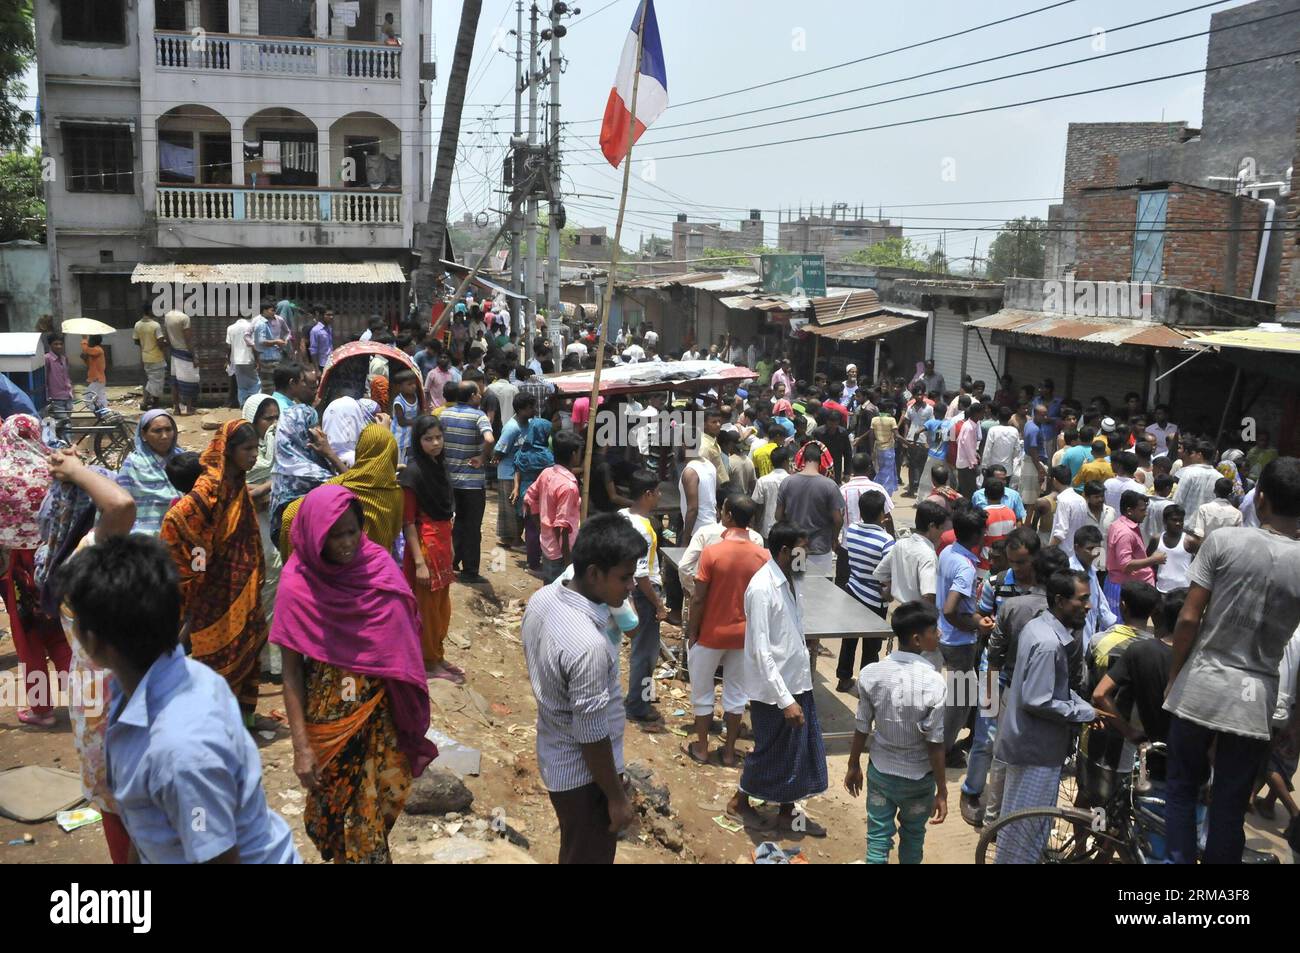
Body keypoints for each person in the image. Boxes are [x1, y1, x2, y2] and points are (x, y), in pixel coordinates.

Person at [58, 535, 299, 864]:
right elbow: (147, 822)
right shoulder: (149, 685)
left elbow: (218, 858)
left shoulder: (180, 751)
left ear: (96, 644)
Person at [273, 485, 437, 863]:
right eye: (335, 535)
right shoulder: (298, 584)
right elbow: (292, 672)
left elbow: (404, 641)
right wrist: (301, 747)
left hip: (379, 717)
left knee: (373, 814)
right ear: (315, 535)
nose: (347, 543)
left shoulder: (377, 566)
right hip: (328, 724)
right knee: (336, 821)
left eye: (352, 531)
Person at [1163, 457, 1300, 865]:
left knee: (1182, 789)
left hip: (1201, 685)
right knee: (1230, 802)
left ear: (1261, 499)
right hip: (1255, 698)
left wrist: (1174, 677)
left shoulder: (1224, 541)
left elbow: (1188, 618)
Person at [522, 513, 645, 863]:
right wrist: (617, 798)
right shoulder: (588, 646)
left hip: (555, 753)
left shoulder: (544, 599)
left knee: (575, 850)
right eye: (624, 577)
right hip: (584, 778)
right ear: (594, 574)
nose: (631, 586)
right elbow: (591, 735)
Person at [160, 419, 269, 728]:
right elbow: (177, 523)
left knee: (247, 650)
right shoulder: (210, 485)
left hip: (242, 584)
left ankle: (243, 718)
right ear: (228, 450)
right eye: (248, 449)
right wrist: (197, 569)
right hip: (214, 589)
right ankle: (216, 722)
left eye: (256, 449)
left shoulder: (237, 483)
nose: (253, 456)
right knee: (217, 655)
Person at [726, 522, 829, 836]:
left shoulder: (790, 580)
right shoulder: (761, 588)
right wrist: (786, 701)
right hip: (775, 692)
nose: (806, 556)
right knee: (770, 751)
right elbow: (760, 650)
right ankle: (738, 802)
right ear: (784, 551)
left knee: (798, 752)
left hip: (798, 681)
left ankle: (787, 812)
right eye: (801, 550)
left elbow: (789, 629)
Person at [994, 571, 1097, 864]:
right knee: (1027, 831)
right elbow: (1039, 699)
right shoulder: (1049, 643)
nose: (1088, 606)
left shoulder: (1039, 627)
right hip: (1037, 749)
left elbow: (1055, 689)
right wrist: (1084, 712)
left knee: (1017, 823)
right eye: (1083, 599)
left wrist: (1083, 706)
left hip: (1027, 742)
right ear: (1061, 601)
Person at [844, 601, 948, 863]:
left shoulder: (871, 674)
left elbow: (862, 726)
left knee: (878, 839)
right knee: (913, 837)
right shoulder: (935, 683)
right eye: (934, 630)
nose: (939, 634)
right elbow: (935, 743)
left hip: (881, 772)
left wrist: (853, 764)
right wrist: (942, 791)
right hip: (918, 779)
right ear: (917, 639)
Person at [683, 496, 768, 768]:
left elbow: (698, 599)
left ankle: (703, 747)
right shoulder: (763, 556)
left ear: (728, 515)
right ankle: (730, 751)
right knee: (736, 695)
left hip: (711, 632)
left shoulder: (712, 553)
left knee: (702, 691)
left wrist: (691, 631)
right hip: (745, 636)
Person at [0, 416, 73, 727]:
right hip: (53, 559)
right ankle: (85, 702)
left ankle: (41, 710)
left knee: (27, 636)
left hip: (14, 566)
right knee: (61, 632)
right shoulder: (53, 469)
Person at [399, 417, 463, 682]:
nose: (435, 443)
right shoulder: (413, 474)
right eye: (428, 439)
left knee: (441, 607)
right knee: (425, 608)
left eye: (438, 437)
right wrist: (420, 562)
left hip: (442, 543)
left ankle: (436, 654)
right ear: (418, 441)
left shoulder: (440, 467)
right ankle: (427, 662)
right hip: (425, 547)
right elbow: (408, 522)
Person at [280, 423, 403, 560]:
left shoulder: (339, 486)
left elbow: (290, 515)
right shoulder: (396, 494)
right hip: (376, 568)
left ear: (361, 449)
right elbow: (394, 532)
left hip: (338, 568)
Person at [620, 471, 669, 733]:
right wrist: (658, 604)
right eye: (658, 492)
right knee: (646, 653)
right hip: (643, 592)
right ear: (648, 494)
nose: (660, 496)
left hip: (623, 587)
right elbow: (642, 575)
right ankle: (638, 705)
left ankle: (637, 697)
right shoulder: (646, 530)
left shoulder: (621, 516)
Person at [936, 505, 986, 755]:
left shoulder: (947, 551)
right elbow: (949, 608)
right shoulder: (966, 567)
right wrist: (975, 624)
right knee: (960, 702)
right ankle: (943, 751)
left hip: (945, 636)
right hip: (959, 641)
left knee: (960, 695)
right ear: (977, 535)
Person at [837, 491, 895, 693]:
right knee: (871, 646)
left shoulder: (851, 529)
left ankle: (843, 678)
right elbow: (887, 576)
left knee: (849, 639)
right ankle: (867, 685)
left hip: (853, 590)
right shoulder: (886, 541)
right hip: (874, 598)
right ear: (881, 514)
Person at [441, 382, 495, 583]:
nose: (481, 397)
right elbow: (489, 439)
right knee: (472, 526)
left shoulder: (444, 415)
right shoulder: (478, 415)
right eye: (479, 394)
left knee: (455, 522)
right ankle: (470, 570)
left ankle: (452, 562)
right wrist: (482, 458)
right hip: (472, 483)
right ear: (472, 396)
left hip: (450, 480)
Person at [775, 440, 844, 577]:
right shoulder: (829, 485)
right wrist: (834, 538)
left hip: (797, 548)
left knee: (800, 586)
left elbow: (778, 516)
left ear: (803, 459)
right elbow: (838, 520)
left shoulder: (787, 482)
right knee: (820, 590)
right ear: (821, 460)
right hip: (821, 548)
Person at [270, 403, 341, 532]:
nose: (321, 432)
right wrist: (330, 454)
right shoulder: (314, 476)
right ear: (304, 433)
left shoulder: (279, 470)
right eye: (315, 427)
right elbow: (355, 487)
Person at [525, 430, 584, 583]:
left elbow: (530, 498)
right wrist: (568, 561)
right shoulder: (569, 486)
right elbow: (561, 526)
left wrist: (541, 526)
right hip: (560, 553)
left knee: (549, 588)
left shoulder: (547, 473)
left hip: (546, 543)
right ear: (573, 454)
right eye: (579, 452)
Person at [115, 410, 182, 535]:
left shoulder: (182, 457)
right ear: (144, 435)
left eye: (168, 429)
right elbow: (122, 502)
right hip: (144, 533)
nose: (165, 436)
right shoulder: (133, 464)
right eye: (157, 431)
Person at [1103, 490, 1164, 616]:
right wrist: (1153, 559)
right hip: (1126, 588)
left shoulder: (1118, 524)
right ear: (1130, 511)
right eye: (1142, 510)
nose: (1145, 514)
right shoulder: (1125, 533)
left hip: (1127, 585)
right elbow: (1125, 565)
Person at [492, 392, 535, 550]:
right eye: (530, 408)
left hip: (520, 472)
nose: (533, 410)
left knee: (517, 507)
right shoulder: (512, 428)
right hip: (508, 473)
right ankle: (514, 540)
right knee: (511, 508)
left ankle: (512, 538)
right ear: (521, 409)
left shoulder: (528, 423)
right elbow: (499, 450)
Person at [1070, 522, 1118, 649]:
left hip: (1090, 638)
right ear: (1076, 548)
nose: (1095, 554)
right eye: (1090, 549)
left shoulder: (1092, 570)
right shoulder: (1070, 572)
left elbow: (1100, 603)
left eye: (1098, 549)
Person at [1184, 476, 1243, 554]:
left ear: (1214, 491)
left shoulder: (1204, 509)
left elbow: (1199, 533)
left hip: (1206, 553)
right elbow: (1238, 538)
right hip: (1226, 555)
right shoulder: (1237, 514)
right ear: (1230, 493)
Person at [1171, 439, 1219, 521]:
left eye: (1193, 453)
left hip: (1187, 524)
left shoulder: (1188, 472)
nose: (1191, 456)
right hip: (1207, 525)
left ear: (1199, 455)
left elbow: (1178, 500)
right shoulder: (1219, 476)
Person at [163, 310, 200, 416]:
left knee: (175, 383)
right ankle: (188, 408)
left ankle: (176, 409)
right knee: (189, 382)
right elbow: (188, 340)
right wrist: (194, 356)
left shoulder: (168, 316)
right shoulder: (184, 318)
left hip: (174, 353)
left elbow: (167, 337)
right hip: (184, 353)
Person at [750, 445, 792, 538]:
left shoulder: (762, 481)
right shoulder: (792, 481)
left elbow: (758, 507)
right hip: (787, 530)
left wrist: (756, 526)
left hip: (767, 530)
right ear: (786, 461)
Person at [132, 306, 168, 410]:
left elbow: (136, 341)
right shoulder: (155, 325)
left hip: (145, 357)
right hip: (156, 357)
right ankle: (154, 404)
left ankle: (145, 401)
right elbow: (160, 342)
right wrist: (166, 343)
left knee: (151, 381)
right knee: (157, 382)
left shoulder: (137, 325)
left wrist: (145, 345)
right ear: (150, 311)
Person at [1150, 504, 1192, 593]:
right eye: (1174, 520)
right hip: (1161, 589)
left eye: (1181, 520)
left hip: (1183, 591)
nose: (1178, 523)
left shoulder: (1190, 541)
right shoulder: (1156, 539)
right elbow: (1149, 562)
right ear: (1165, 521)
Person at [252, 299, 291, 394]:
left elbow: (288, 332)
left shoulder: (279, 320)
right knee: (267, 385)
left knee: (274, 383)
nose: (274, 312)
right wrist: (276, 341)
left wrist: (284, 341)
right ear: (264, 311)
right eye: (272, 310)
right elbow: (260, 342)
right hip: (265, 357)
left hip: (276, 356)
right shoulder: (260, 323)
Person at [679, 450, 719, 542]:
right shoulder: (709, 464)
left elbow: (693, 509)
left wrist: (685, 541)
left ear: (684, 444)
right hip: (711, 526)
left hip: (697, 533)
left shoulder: (690, 472)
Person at [226, 314, 259, 406]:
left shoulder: (230, 328)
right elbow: (253, 345)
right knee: (255, 383)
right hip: (249, 359)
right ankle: (254, 404)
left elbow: (228, 346)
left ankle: (243, 404)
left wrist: (228, 360)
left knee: (241, 385)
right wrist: (257, 360)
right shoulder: (251, 327)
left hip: (236, 360)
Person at [43, 333, 73, 419]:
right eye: (56, 344)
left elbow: (66, 376)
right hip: (55, 398)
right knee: (65, 424)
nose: (59, 346)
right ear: (50, 345)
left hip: (68, 396)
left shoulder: (64, 358)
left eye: (60, 344)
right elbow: (44, 379)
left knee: (65, 423)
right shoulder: (47, 359)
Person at [78, 335, 107, 413]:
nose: (89, 341)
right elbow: (91, 364)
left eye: (90, 340)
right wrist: (85, 358)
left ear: (94, 341)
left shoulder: (98, 350)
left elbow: (86, 349)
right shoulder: (94, 351)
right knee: (100, 398)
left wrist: (84, 339)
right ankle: (103, 413)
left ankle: (98, 411)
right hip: (98, 379)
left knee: (88, 397)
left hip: (98, 379)